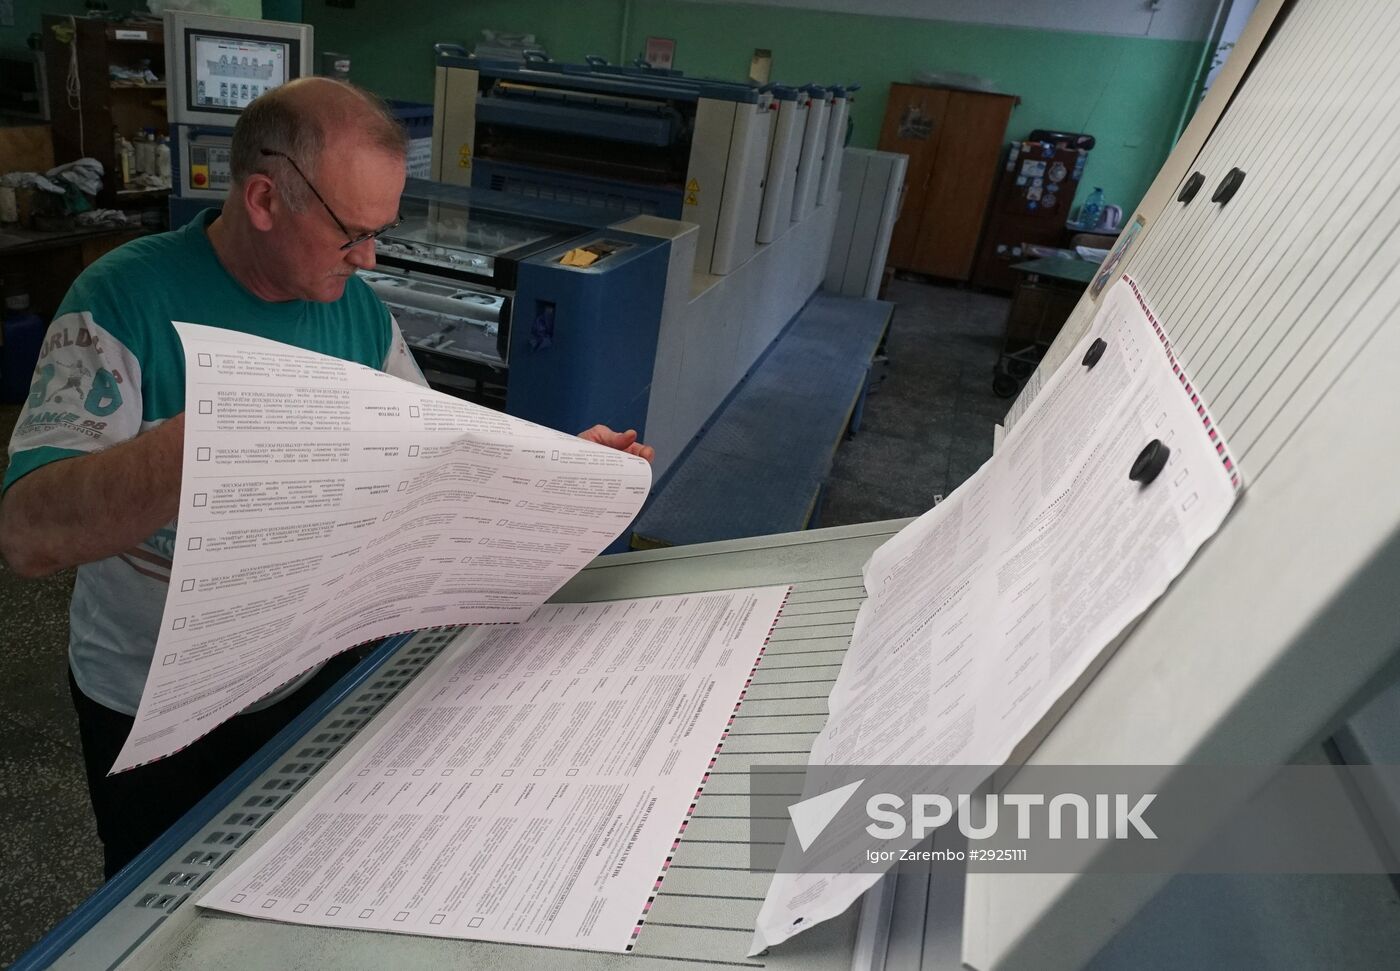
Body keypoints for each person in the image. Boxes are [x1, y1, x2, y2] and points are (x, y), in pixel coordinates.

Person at [0, 78, 652, 879]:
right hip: (149, 701)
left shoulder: (357, 312)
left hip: (303, 672)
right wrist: (213, 440)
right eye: (351, 232)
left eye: (379, 232)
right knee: (153, 895)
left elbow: (434, 456)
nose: (369, 256)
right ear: (266, 199)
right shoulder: (119, 301)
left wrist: (562, 470)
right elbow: (28, 533)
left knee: (294, 871)